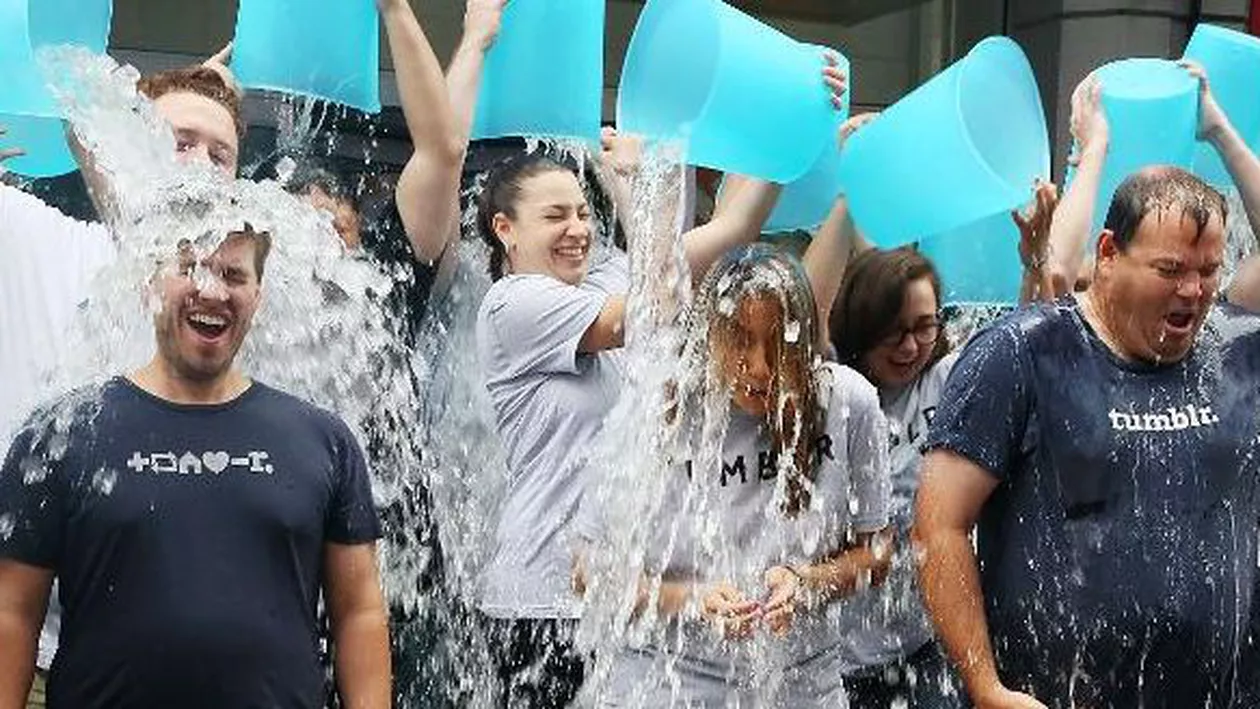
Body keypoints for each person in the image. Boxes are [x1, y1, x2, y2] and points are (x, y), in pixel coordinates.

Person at [0, 223, 390, 708]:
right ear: (150, 282)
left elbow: (359, 612)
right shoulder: (62, 433)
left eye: (233, 275)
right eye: (191, 268)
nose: (212, 290)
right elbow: (12, 611)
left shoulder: (322, 438)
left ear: (258, 295)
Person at [915, 166, 1260, 708]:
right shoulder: (1020, 354)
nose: (1193, 290)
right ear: (1107, 253)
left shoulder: (1245, 349)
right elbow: (939, 527)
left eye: (1209, 270)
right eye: (1170, 269)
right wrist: (985, 687)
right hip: (1054, 695)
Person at [578, 244, 892, 708]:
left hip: (803, 683)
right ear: (708, 334)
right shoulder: (657, 411)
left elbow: (877, 552)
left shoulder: (847, 404)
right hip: (668, 680)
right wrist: (691, 599)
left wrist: (807, 581)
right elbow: (589, 574)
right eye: (740, 338)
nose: (761, 367)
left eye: (781, 344)